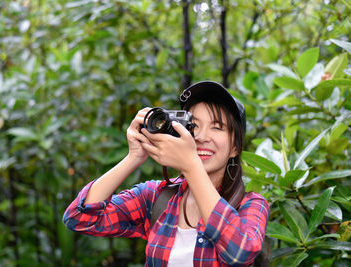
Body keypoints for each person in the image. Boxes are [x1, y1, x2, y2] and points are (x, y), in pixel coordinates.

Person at [63, 81, 269, 266]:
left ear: (235, 148)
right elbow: (78, 218)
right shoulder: (156, 197)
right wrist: (134, 157)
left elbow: (239, 253)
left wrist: (191, 165)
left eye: (217, 127)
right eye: (194, 125)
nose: (202, 136)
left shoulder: (251, 205)